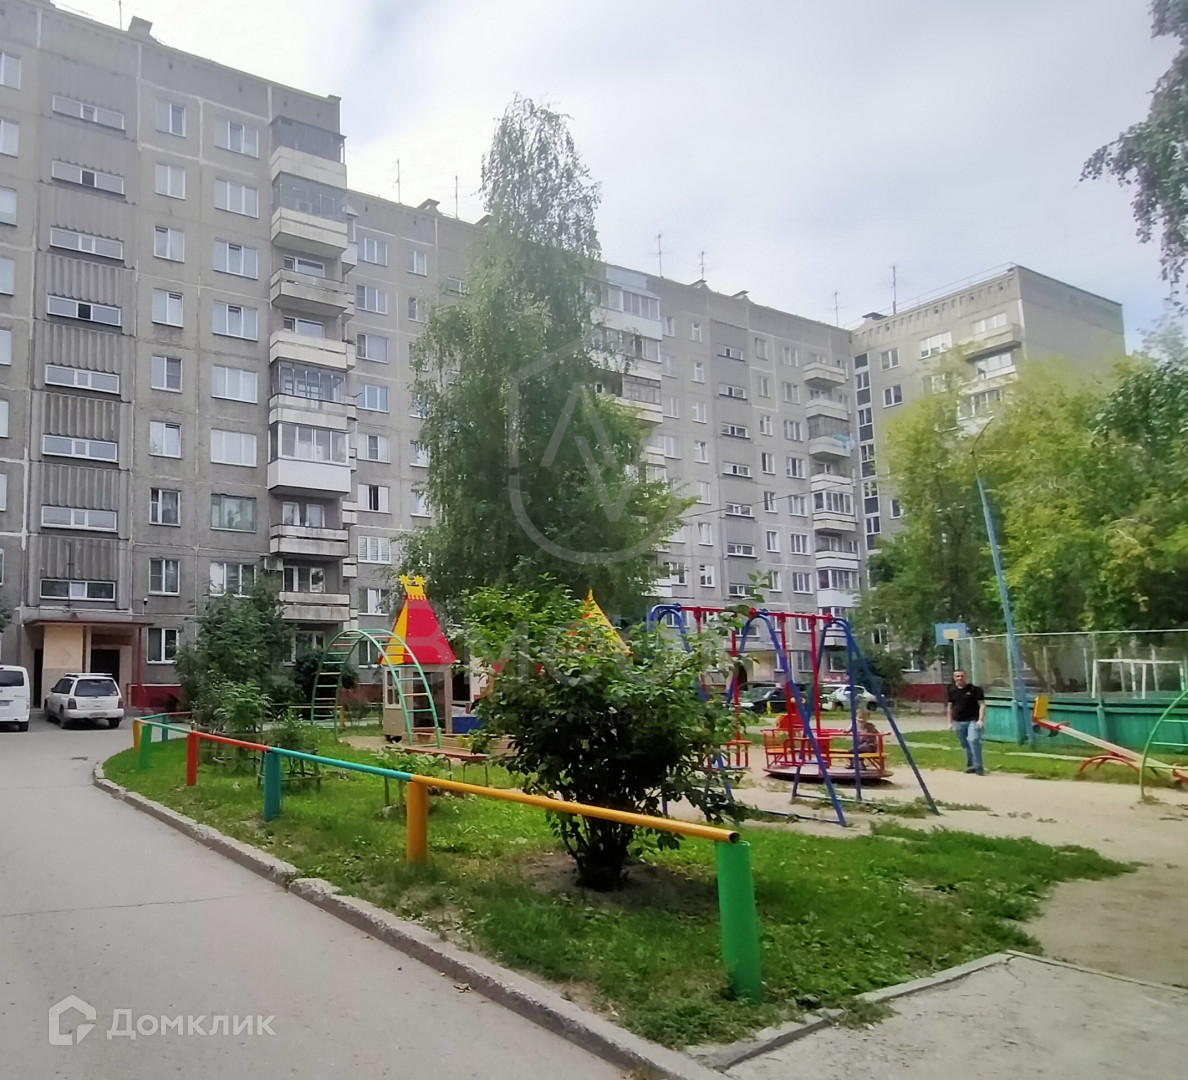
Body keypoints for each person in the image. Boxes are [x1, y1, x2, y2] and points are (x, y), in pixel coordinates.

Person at [947, 670, 986, 775]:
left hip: (973, 720)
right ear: (954, 678)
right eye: (957, 676)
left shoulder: (974, 690)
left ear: (966, 677)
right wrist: (950, 722)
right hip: (959, 721)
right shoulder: (952, 690)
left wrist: (981, 719)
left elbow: (982, 705)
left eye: (962, 676)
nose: (960, 678)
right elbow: (950, 707)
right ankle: (971, 765)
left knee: (973, 740)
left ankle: (979, 767)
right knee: (965, 744)